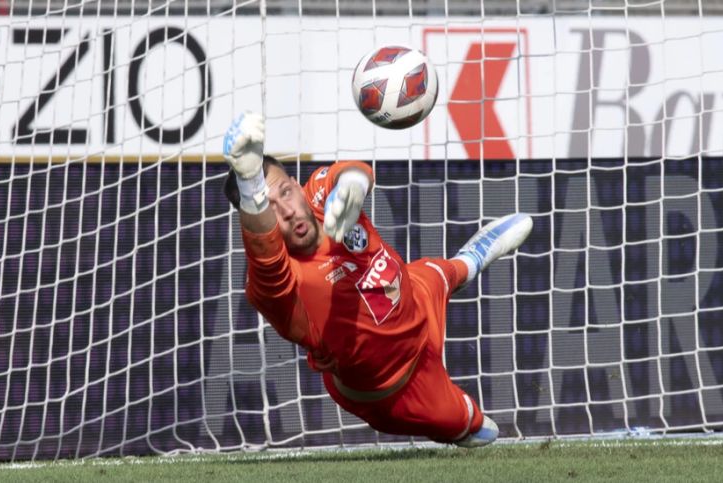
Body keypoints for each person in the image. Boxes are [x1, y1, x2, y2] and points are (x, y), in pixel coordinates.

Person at [222, 112, 533, 447]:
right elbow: (265, 255)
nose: (286, 210)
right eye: (269, 208)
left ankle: (469, 260)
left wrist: (352, 184)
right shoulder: (278, 287)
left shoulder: (318, 198)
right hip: (398, 387)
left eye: (285, 192)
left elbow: (350, 171)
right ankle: (462, 420)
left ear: (297, 185)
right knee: (475, 428)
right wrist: (250, 183)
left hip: (412, 294)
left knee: (445, 272)